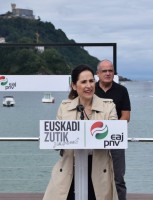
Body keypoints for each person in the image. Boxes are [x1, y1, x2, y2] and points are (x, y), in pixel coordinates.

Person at [43, 64, 118, 200]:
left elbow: (113, 135)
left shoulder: (108, 107)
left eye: (91, 81)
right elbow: (57, 140)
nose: (88, 85)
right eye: (83, 82)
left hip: (99, 169)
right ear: (74, 85)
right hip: (69, 168)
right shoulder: (64, 107)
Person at [95, 59, 131, 200]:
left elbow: (126, 116)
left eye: (110, 70)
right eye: (104, 71)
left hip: (116, 139)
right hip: (95, 139)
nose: (108, 73)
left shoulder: (122, 90)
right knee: (95, 175)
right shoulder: (91, 90)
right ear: (98, 73)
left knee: (119, 177)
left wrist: (110, 130)